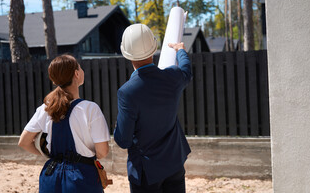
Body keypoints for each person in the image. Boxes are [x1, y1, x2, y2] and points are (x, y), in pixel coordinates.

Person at [114, 23, 192, 193]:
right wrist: (180, 50)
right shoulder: (172, 77)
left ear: (126, 53)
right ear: (154, 47)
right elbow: (186, 70)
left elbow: (123, 140)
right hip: (174, 162)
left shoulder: (127, 92)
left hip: (146, 172)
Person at [18, 54, 110, 193]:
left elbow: (24, 142)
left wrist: (47, 155)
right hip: (81, 178)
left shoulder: (45, 108)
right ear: (77, 74)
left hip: (50, 176)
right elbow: (102, 151)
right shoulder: (90, 109)